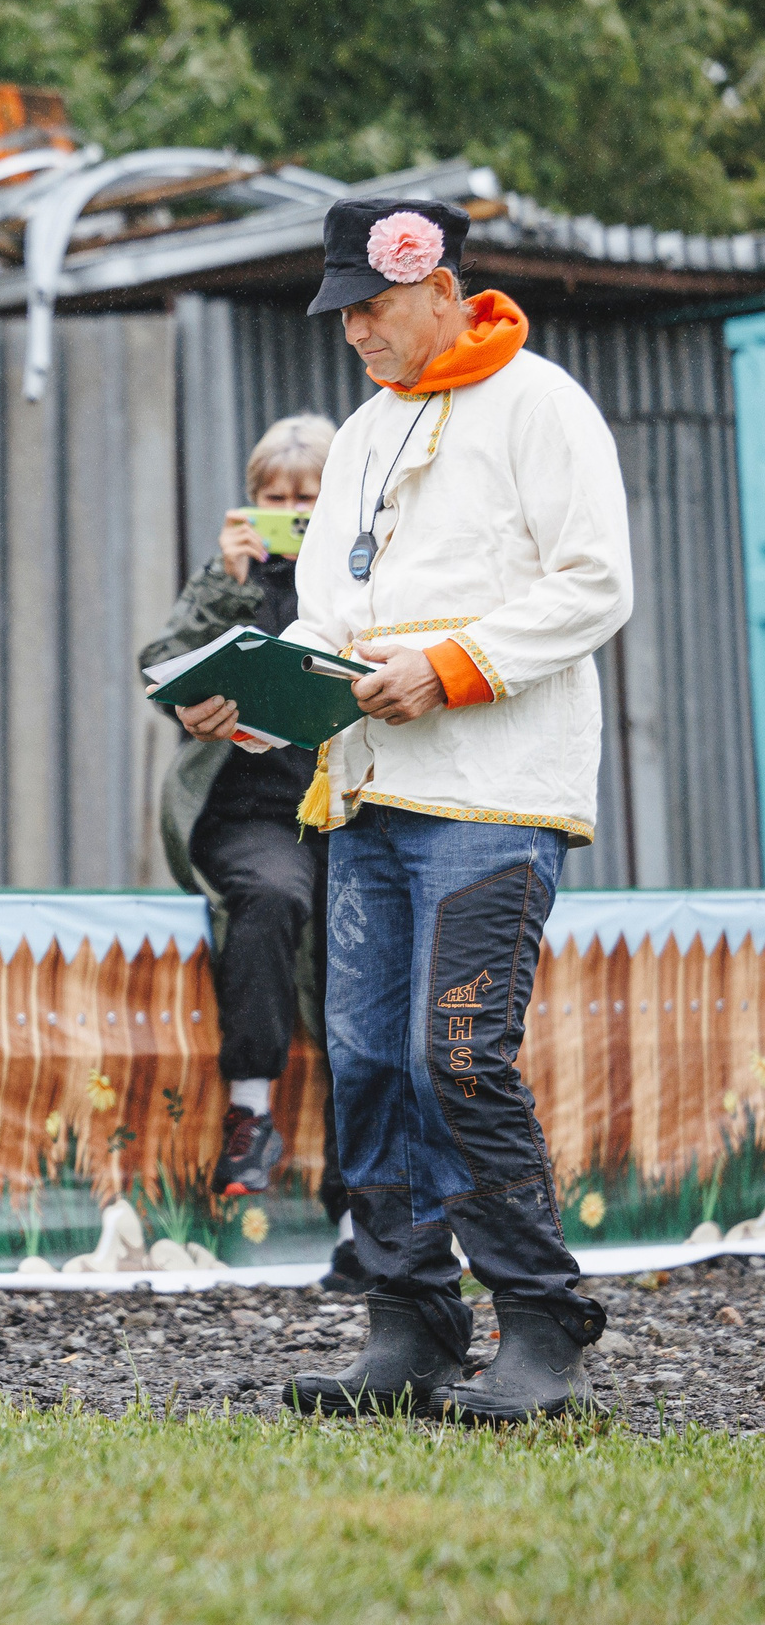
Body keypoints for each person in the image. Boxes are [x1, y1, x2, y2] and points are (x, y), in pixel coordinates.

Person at [175, 198, 629, 1423]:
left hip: (497, 791)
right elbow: (328, 616)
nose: (353, 332)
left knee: (457, 1052)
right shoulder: (366, 433)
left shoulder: (541, 403)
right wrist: (253, 696)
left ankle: (541, 1323)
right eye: (342, 313)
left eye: (370, 307)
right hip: (365, 790)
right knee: (371, 1059)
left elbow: (596, 583)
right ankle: (409, 1320)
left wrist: (450, 664)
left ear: (438, 288)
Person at [141, 416, 356, 1221]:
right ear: (250, 503)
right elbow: (162, 669)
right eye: (276, 500)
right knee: (270, 896)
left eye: (308, 500)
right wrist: (227, 585)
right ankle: (251, 1112)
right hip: (249, 811)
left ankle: (360, 1197)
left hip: (347, 807)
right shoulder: (229, 579)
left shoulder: (363, 574)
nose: (292, 514)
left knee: (357, 962)